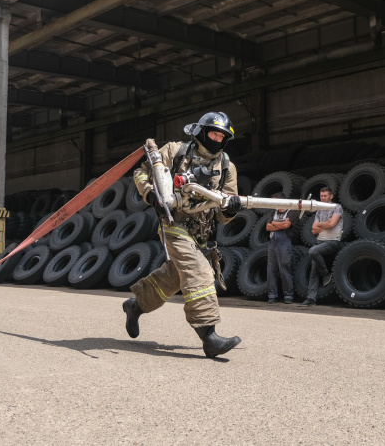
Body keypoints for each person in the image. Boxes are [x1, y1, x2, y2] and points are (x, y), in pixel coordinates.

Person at [124, 111, 242, 358]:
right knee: (199, 271)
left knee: (173, 279)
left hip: (200, 233)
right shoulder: (175, 152)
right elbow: (142, 172)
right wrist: (151, 195)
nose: (216, 139)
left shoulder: (227, 167)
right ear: (200, 132)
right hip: (173, 223)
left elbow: (223, 213)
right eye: (212, 133)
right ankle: (209, 337)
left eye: (221, 136)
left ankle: (135, 306)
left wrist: (232, 208)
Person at [300, 186, 343, 307]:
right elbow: (313, 230)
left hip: (332, 241)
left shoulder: (337, 207)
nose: (323, 198)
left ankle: (325, 274)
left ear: (331, 196)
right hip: (320, 241)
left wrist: (321, 224)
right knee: (313, 271)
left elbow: (333, 223)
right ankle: (311, 299)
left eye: (325, 196)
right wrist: (326, 224)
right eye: (321, 196)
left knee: (313, 251)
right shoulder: (319, 210)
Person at [266, 193, 300, 304]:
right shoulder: (273, 212)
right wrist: (280, 224)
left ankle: (288, 296)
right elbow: (267, 227)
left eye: (274, 202)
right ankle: (272, 296)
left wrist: (275, 224)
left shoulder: (292, 211)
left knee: (285, 269)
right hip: (273, 243)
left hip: (284, 243)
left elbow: (286, 226)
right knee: (271, 270)